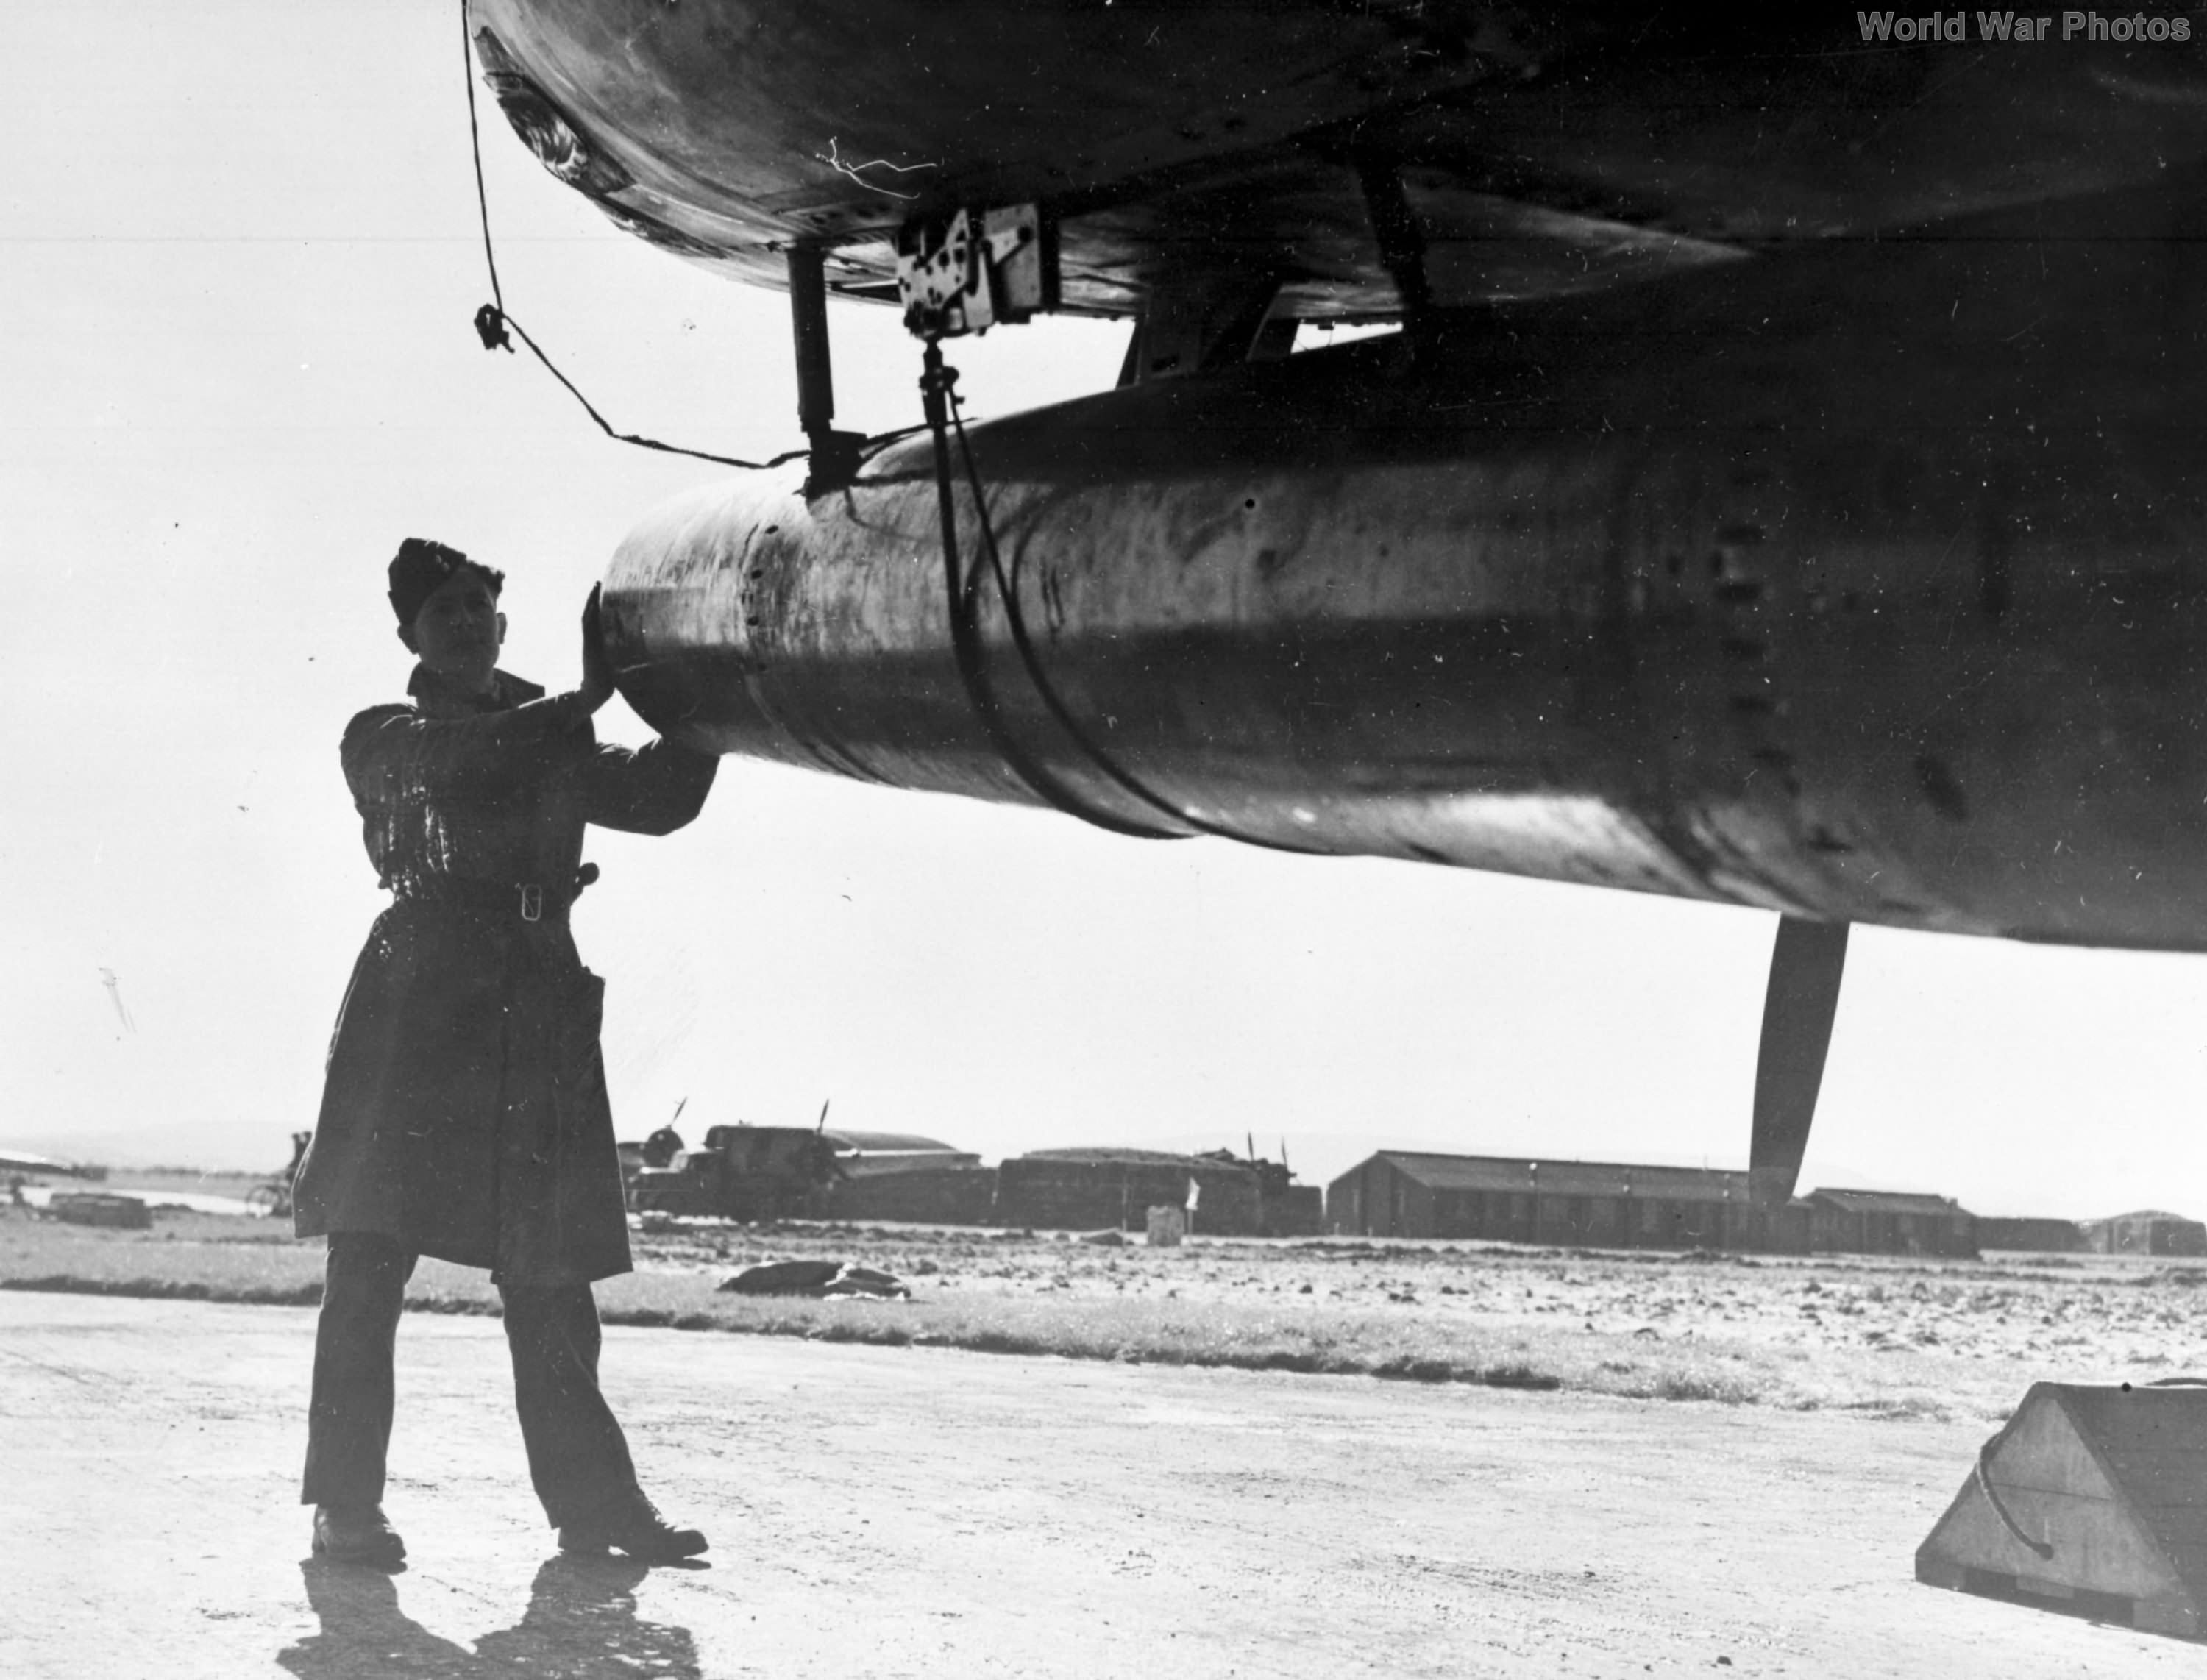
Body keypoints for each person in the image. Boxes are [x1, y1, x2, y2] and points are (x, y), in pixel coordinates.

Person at [292, 537, 718, 1568]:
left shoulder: (551, 732)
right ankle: (345, 1508)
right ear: (411, 638)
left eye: (480, 609)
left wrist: (708, 701)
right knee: (370, 1258)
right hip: (418, 999)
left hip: (533, 993)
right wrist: (586, 697)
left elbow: (660, 801)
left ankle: (597, 1511)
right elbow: (467, 761)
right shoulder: (384, 734)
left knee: (552, 1266)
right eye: (445, 616)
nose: (468, 627)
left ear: (503, 621)